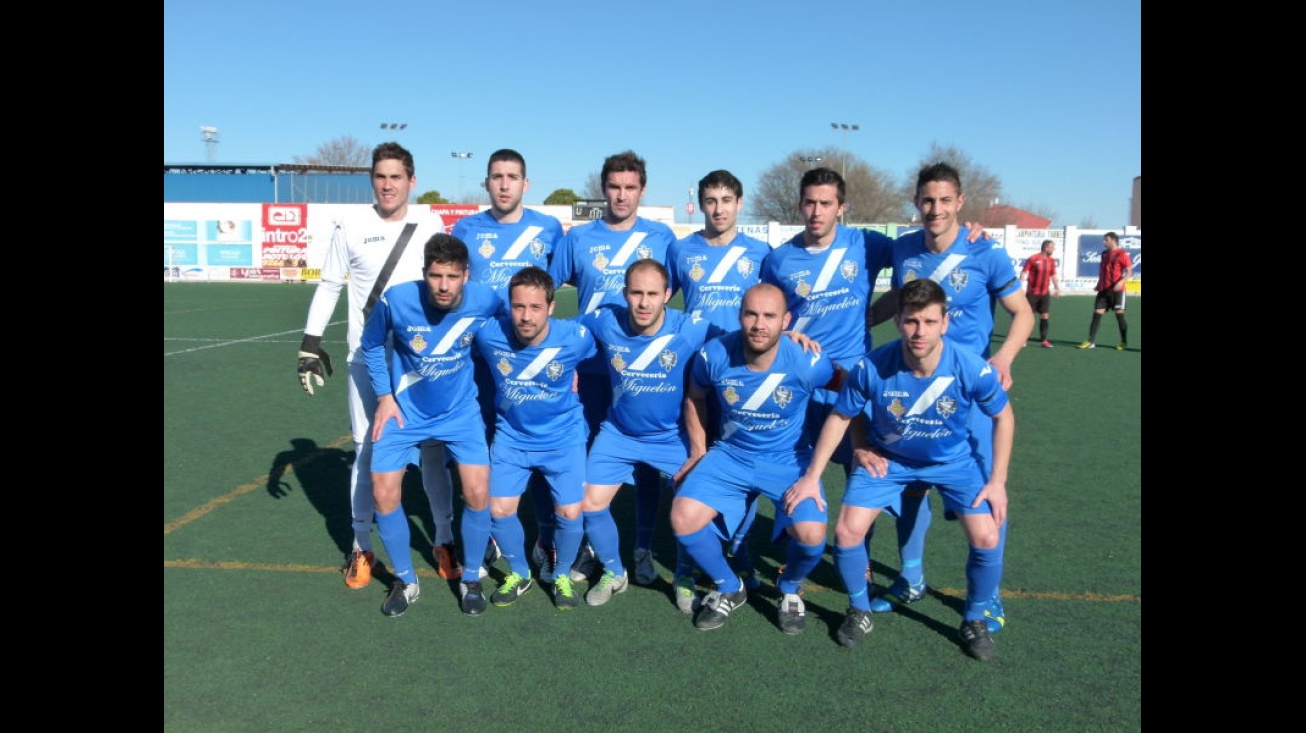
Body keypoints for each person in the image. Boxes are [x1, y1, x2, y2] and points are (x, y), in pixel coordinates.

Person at [789, 277, 1013, 660]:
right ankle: (859, 609)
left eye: (928, 322)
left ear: (944, 323)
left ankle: (974, 618)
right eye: (911, 321)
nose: (919, 331)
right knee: (846, 532)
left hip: (952, 462)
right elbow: (842, 416)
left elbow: (1004, 417)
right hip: (889, 460)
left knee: (987, 537)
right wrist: (812, 477)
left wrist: (997, 482)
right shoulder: (872, 366)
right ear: (898, 321)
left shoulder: (971, 367)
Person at [863, 162, 1032, 633]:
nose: (934, 209)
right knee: (912, 487)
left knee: (983, 494)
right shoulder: (903, 250)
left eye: (943, 200)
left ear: (959, 202)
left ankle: (987, 597)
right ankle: (911, 578)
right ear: (916, 202)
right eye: (926, 200)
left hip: (969, 395)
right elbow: (898, 301)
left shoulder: (985, 251)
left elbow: (1022, 314)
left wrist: (1004, 359)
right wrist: (859, 323)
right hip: (912, 386)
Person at [296, 141, 463, 591]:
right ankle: (360, 545)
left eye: (396, 177)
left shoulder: (430, 222)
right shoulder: (350, 224)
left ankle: (444, 539)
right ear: (373, 179)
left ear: (412, 181)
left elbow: (448, 284)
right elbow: (330, 284)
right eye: (380, 176)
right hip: (364, 360)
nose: (388, 185)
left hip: (418, 362)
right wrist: (311, 341)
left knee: (432, 451)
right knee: (365, 451)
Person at [671, 283, 842, 634]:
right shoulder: (713, 354)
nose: (759, 324)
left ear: (786, 320)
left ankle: (790, 589)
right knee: (682, 516)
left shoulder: (807, 361)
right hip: (731, 456)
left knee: (812, 536)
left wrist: (865, 443)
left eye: (770, 316)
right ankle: (730, 587)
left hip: (788, 459)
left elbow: (854, 389)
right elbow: (695, 397)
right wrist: (699, 452)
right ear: (739, 315)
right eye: (751, 314)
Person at [547, 150, 676, 586]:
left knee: (645, 466)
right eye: (614, 187)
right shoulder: (579, 239)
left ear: (642, 190)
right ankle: (588, 547)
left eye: (630, 188)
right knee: (586, 459)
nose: (621, 196)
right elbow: (546, 293)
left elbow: (680, 295)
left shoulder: (661, 238)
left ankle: (641, 547)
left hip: (645, 373)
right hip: (592, 373)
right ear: (603, 188)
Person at [360, 233, 504, 617]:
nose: (443, 286)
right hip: (404, 414)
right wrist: (384, 396)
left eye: (452, 277)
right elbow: (371, 344)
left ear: (466, 275)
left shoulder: (488, 299)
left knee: (477, 492)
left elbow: (512, 331)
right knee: (383, 493)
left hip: (460, 414)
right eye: (435, 275)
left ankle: (471, 576)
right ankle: (405, 580)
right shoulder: (397, 300)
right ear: (424, 273)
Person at [577, 259, 721, 608]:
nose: (643, 303)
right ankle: (615, 571)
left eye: (652, 294)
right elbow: (554, 332)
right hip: (619, 434)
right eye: (636, 293)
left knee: (692, 508)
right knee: (589, 502)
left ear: (667, 295)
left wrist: (787, 338)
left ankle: (684, 575)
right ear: (624, 294)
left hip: (671, 437)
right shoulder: (605, 321)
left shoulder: (690, 328)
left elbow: (745, 341)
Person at [452, 148, 566, 572]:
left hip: (531, 363)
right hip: (481, 361)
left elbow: (563, 284)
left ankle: (545, 536)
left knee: (533, 449)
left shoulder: (550, 230)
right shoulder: (466, 229)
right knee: (476, 449)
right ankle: (485, 536)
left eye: (512, 176)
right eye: (497, 176)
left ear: (526, 184)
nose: (504, 184)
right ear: (486, 182)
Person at [666, 169, 774, 595]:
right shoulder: (681, 250)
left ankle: (740, 553)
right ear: (701, 203)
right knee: (693, 464)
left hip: (745, 377)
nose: (718, 209)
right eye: (710, 200)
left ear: (739, 203)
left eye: (726, 200)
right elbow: (657, 299)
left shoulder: (761, 252)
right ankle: (685, 564)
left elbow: (780, 307)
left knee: (742, 469)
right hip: (697, 374)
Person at [471, 266, 597, 611]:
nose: (525, 317)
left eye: (535, 308)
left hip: (563, 439)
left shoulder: (576, 337)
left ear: (551, 307)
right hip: (512, 438)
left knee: (571, 513)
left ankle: (560, 574)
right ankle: (520, 572)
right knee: (498, 509)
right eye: (518, 307)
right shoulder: (489, 334)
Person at [1077, 231, 1133, 351]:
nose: (1104, 242)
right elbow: (1103, 271)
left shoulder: (1122, 254)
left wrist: (1121, 282)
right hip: (1103, 290)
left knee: (1119, 315)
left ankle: (1123, 342)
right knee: (1097, 314)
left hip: (1118, 291)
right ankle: (1090, 341)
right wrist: (1099, 284)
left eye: (1106, 240)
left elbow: (1129, 272)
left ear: (1113, 240)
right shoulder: (1104, 254)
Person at [1021, 239, 1062, 348]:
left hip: (1044, 293)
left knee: (1045, 315)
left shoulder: (1052, 261)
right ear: (1046, 248)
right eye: (1052, 247)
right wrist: (1020, 286)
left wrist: (1057, 288)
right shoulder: (1033, 258)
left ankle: (1043, 340)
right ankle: (1024, 339)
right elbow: (1024, 271)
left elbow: (1053, 275)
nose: (1053, 249)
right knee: (1029, 317)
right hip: (1032, 293)